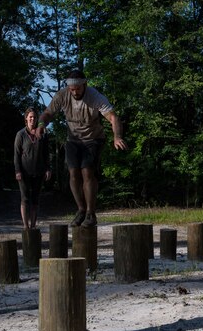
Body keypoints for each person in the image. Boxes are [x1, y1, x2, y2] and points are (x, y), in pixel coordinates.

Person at [37, 70, 127, 227]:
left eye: (78, 88)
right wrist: (41, 124)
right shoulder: (62, 95)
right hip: (73, 139)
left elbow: (113, 117)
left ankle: (91, 213)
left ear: (84, 85)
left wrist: (117, 136)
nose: (75, 92)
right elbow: (47, 113)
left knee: (87, 171)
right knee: (73, 173)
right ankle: (81, 210)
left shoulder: (95, 96)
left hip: (93, 139)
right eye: (72, 89)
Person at [14, 107, 52, 230]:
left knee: (35, 200)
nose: (32, 119)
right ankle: (26, 227)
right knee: (25, 198)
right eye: (30, 117)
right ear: (26, 118)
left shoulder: (43, 134)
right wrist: (17, 171)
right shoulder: (20, 134)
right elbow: (16, 154)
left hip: (39, 172)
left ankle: (33, 225)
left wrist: (48, 168)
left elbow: (46, 153)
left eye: (34, 117)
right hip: (24, 172)